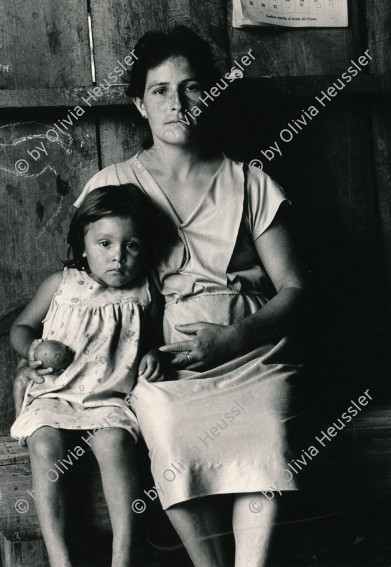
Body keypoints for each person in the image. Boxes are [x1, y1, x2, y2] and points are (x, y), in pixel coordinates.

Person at [15, 25, 306, 567]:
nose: (178, 103)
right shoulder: (116, 183)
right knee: (164, 423)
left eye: (193, 87)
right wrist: (33, 361)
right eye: (160, 90)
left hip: (252, 351)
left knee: (265, 426)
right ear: (139, 103)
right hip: (156, 362)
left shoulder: (251, 182)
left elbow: (295, 289)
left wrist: (237, 336)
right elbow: (76, 296)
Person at [10, 185, 167, 567]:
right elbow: (22, 326)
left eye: (131, 245)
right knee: (45, 445)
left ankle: (123, 556)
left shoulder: (145, 294)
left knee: (115, 445)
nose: (118, 257)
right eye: (105, 244)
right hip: (54, 394)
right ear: (82, 247)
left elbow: (155, 340)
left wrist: (154, 355)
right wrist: (30, 351)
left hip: (107, 398)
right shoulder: (60, 285)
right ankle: (59, 557)